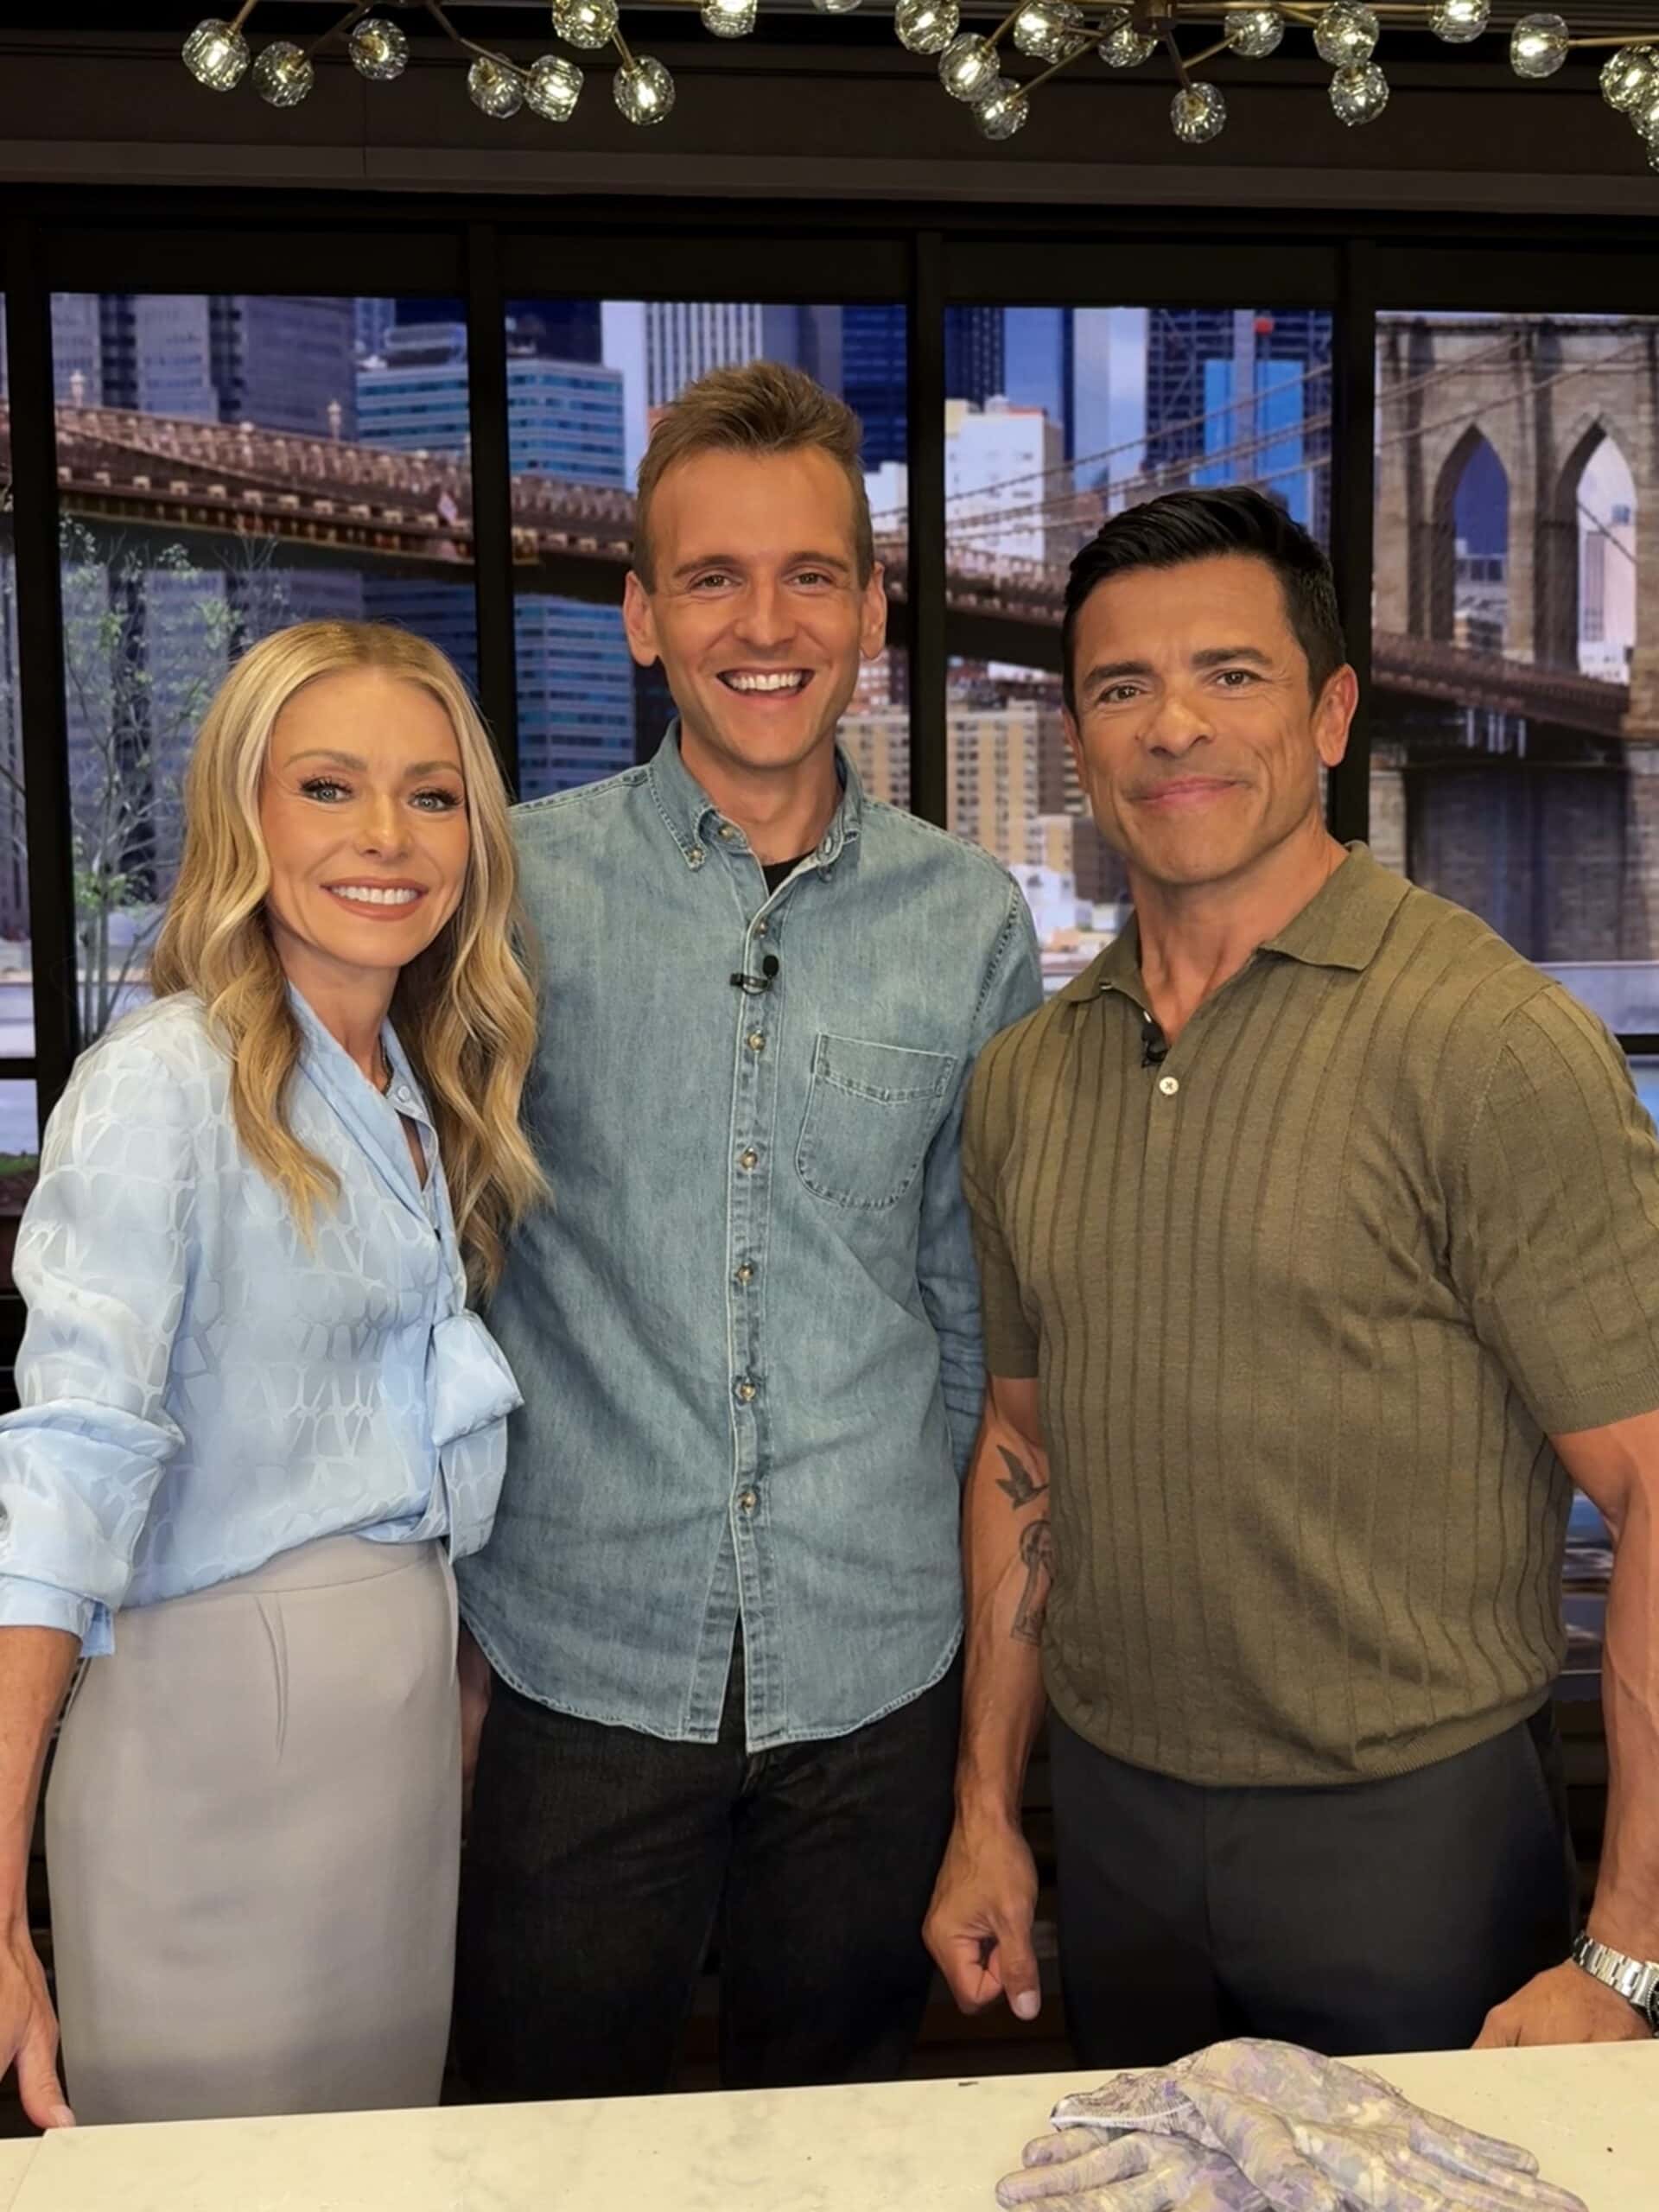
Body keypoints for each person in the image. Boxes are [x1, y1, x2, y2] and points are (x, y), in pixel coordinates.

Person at [924, 486, 1659, 2064]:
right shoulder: (1026, 1079)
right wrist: (989, 1810)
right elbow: (1021, 1453)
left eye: (1231, 674)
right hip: (1112, 1826)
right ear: (1079, 737)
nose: (1173, 723)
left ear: (1331, 713)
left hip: (1416, 1838)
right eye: (1122, 687)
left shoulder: (1495, 1047)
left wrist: (1630, 1953)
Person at [454, 360, 1043, 2100]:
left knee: (838, 2143)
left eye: (810, 575)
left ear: (872, 609)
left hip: (877, 1670)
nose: (763, 621)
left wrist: (986, 1790)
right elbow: (429, 1270)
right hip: (578, 1656)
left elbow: (982, 1327)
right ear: (642, 615)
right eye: (712, 576)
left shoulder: (971, 918)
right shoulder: (509, 891)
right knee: (532, 2145)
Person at [0, 620, 543, 2127]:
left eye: (431, 797)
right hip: (211, 1750)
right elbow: (55, 1491)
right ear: (243, 817)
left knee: (376, 2159)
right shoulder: (161, 1086)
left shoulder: (414, 1086)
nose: (386, 837)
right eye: (327, 787)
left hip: (391, 1744)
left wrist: (452, 1688)